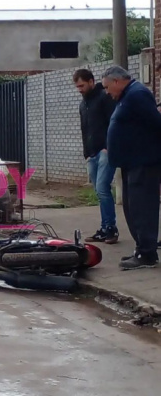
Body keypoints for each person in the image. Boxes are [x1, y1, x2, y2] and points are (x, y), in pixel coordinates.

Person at [102, 66, 161, 270]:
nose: (107, 92)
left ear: (117, 81)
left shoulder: (137, 95)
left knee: (142, 208)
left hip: (143, 162)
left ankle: (147, 254)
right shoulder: (128, 95)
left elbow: (156, 124)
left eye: (107, 87)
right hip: (131, 163)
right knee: (132, 208)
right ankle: (141, 249)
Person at [73, 69, 119, 244]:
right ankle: (105, 227)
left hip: (105, 151)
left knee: (102, 188)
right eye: (77, 87)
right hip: (91, 153)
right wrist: (86, 153)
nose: (80, 89)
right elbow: (85, 129)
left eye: (82, 85)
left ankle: (111, 229)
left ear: (91, 82)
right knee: (99, 192)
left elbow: (114, 122)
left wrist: (108, 147)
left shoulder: (104, 98)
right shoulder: (83, 104)